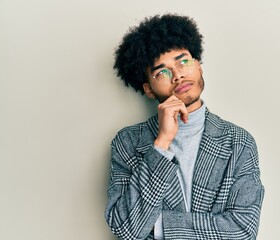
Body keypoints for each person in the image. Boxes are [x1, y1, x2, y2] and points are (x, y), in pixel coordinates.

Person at [105, 14, 264, 240]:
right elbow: (126, 229)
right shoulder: (128, 142)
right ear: (148, 89)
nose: (178, 75)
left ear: (198, 66)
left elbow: (243, 229)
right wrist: (161, 144)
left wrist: (158, 226)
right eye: (162, 72)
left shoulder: (238, 141)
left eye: (183, 61)